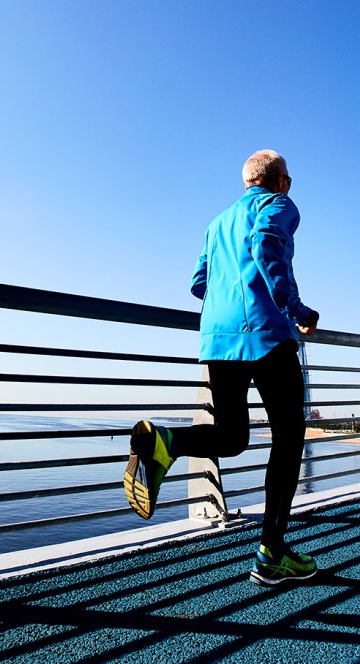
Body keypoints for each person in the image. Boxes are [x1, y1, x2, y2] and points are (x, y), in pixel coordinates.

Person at [123, 149, 320, 587]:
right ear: (281, 180)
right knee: (289, 438)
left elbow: (199, 282)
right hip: (267, 334)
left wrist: (229, 302)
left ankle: (167, 440)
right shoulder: (279, 205)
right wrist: (298, 309)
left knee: (231, 437)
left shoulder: (216, 222)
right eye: (289, 179)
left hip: (218, 338)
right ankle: (272, 552)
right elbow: (267, 248)